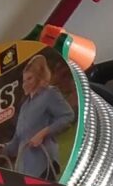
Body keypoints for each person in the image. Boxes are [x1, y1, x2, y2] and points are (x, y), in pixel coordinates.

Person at [7, 51, 75, 179]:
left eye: (30, 79)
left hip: (44, 163)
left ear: (39, 77)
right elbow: (19, 139)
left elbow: (67, 116)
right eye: (24, 80)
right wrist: (4, 149)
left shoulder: (49, 94)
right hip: (24, 170)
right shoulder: (25, 106)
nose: (25, 84)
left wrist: (42, 134)